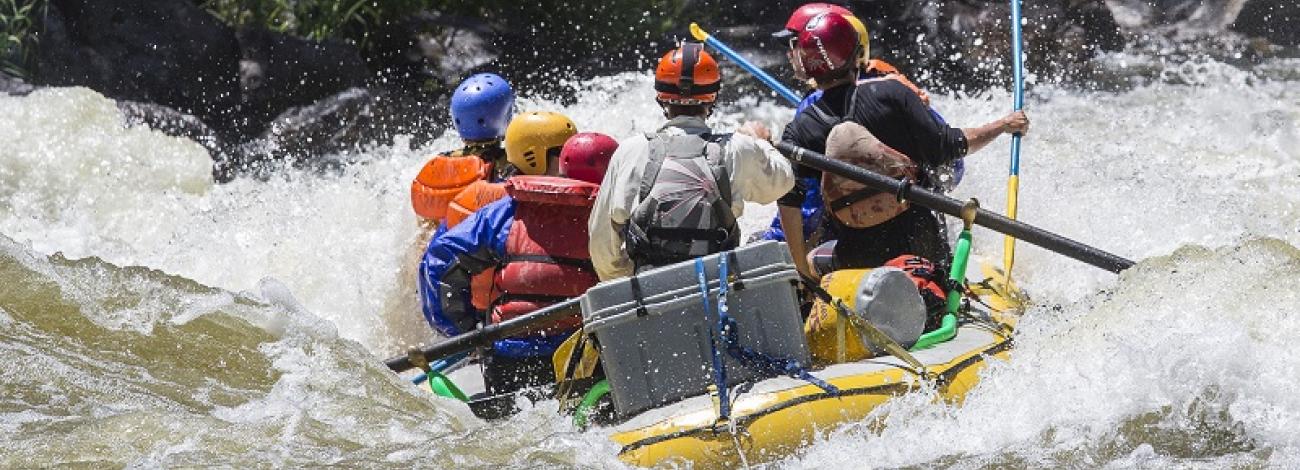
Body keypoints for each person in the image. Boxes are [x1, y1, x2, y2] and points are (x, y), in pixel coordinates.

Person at [778, 12, 1029, 276]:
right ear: (857, 55)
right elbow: (950, 147)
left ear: (807, 66)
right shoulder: (891, 94)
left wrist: (800, 269)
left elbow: (788, 200)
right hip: (922, 242)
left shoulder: (800, 129)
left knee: (813, 258)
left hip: (855, 257)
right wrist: (1002, 125)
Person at [417, 131, 617, 399]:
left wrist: (463, 332)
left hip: (508, 357)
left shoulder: (507, 212)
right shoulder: (611, 217)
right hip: (581, 358)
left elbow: (439, 261)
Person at [588, 42, 796, 281]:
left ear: (660, 96)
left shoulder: (630, 151)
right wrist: (762, 143)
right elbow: (785, 180)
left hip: (650, 293)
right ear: (713, 97)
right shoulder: (738, 148)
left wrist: (628, 281)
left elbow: (601, 243)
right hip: (717, 290)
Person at [760, 3, 963, 244]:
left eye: (795, 45)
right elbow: (953, 167)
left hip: (852, 243)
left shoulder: (811, 112)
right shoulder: (895, 87)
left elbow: (806, 206)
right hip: (924, 230)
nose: (790, 54)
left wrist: (774, 241)